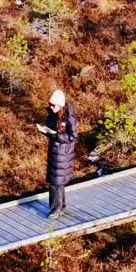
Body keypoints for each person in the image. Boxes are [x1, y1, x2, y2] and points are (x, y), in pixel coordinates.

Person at [36, 89, 77, 218]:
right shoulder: (52, 115)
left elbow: (72, 137)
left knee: (56, 182)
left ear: (60, 105)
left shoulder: (69, 118)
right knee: (57, 181)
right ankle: (60, 207)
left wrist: (57, 136)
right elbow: (51, 131)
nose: (51, 107)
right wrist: (45, 131)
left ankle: (55, 209)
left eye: (53, 105)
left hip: (63, 153)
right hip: (54, 151)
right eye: (50, 104)